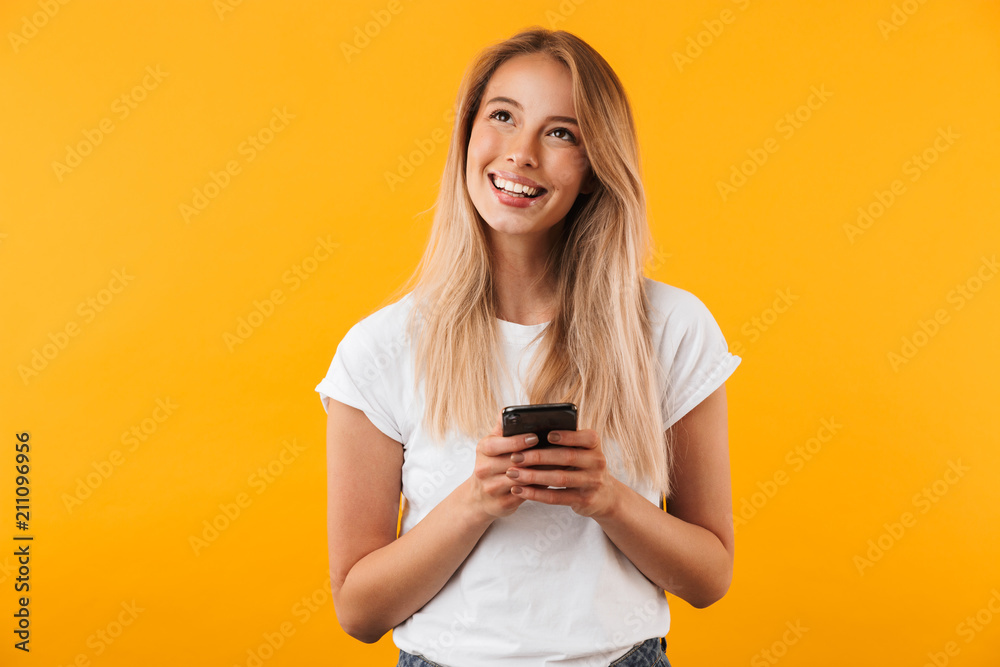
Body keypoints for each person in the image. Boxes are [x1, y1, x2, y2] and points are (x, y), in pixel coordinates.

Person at [316, 27, 741, 667]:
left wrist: (609, 500)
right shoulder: (380, 349)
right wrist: (476, 501)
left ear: (596, 169)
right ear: (467, 134)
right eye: (503, 116)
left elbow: (709, 578)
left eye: (561, 132)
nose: (520, 153)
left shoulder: (671, 327)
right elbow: (359, 611)